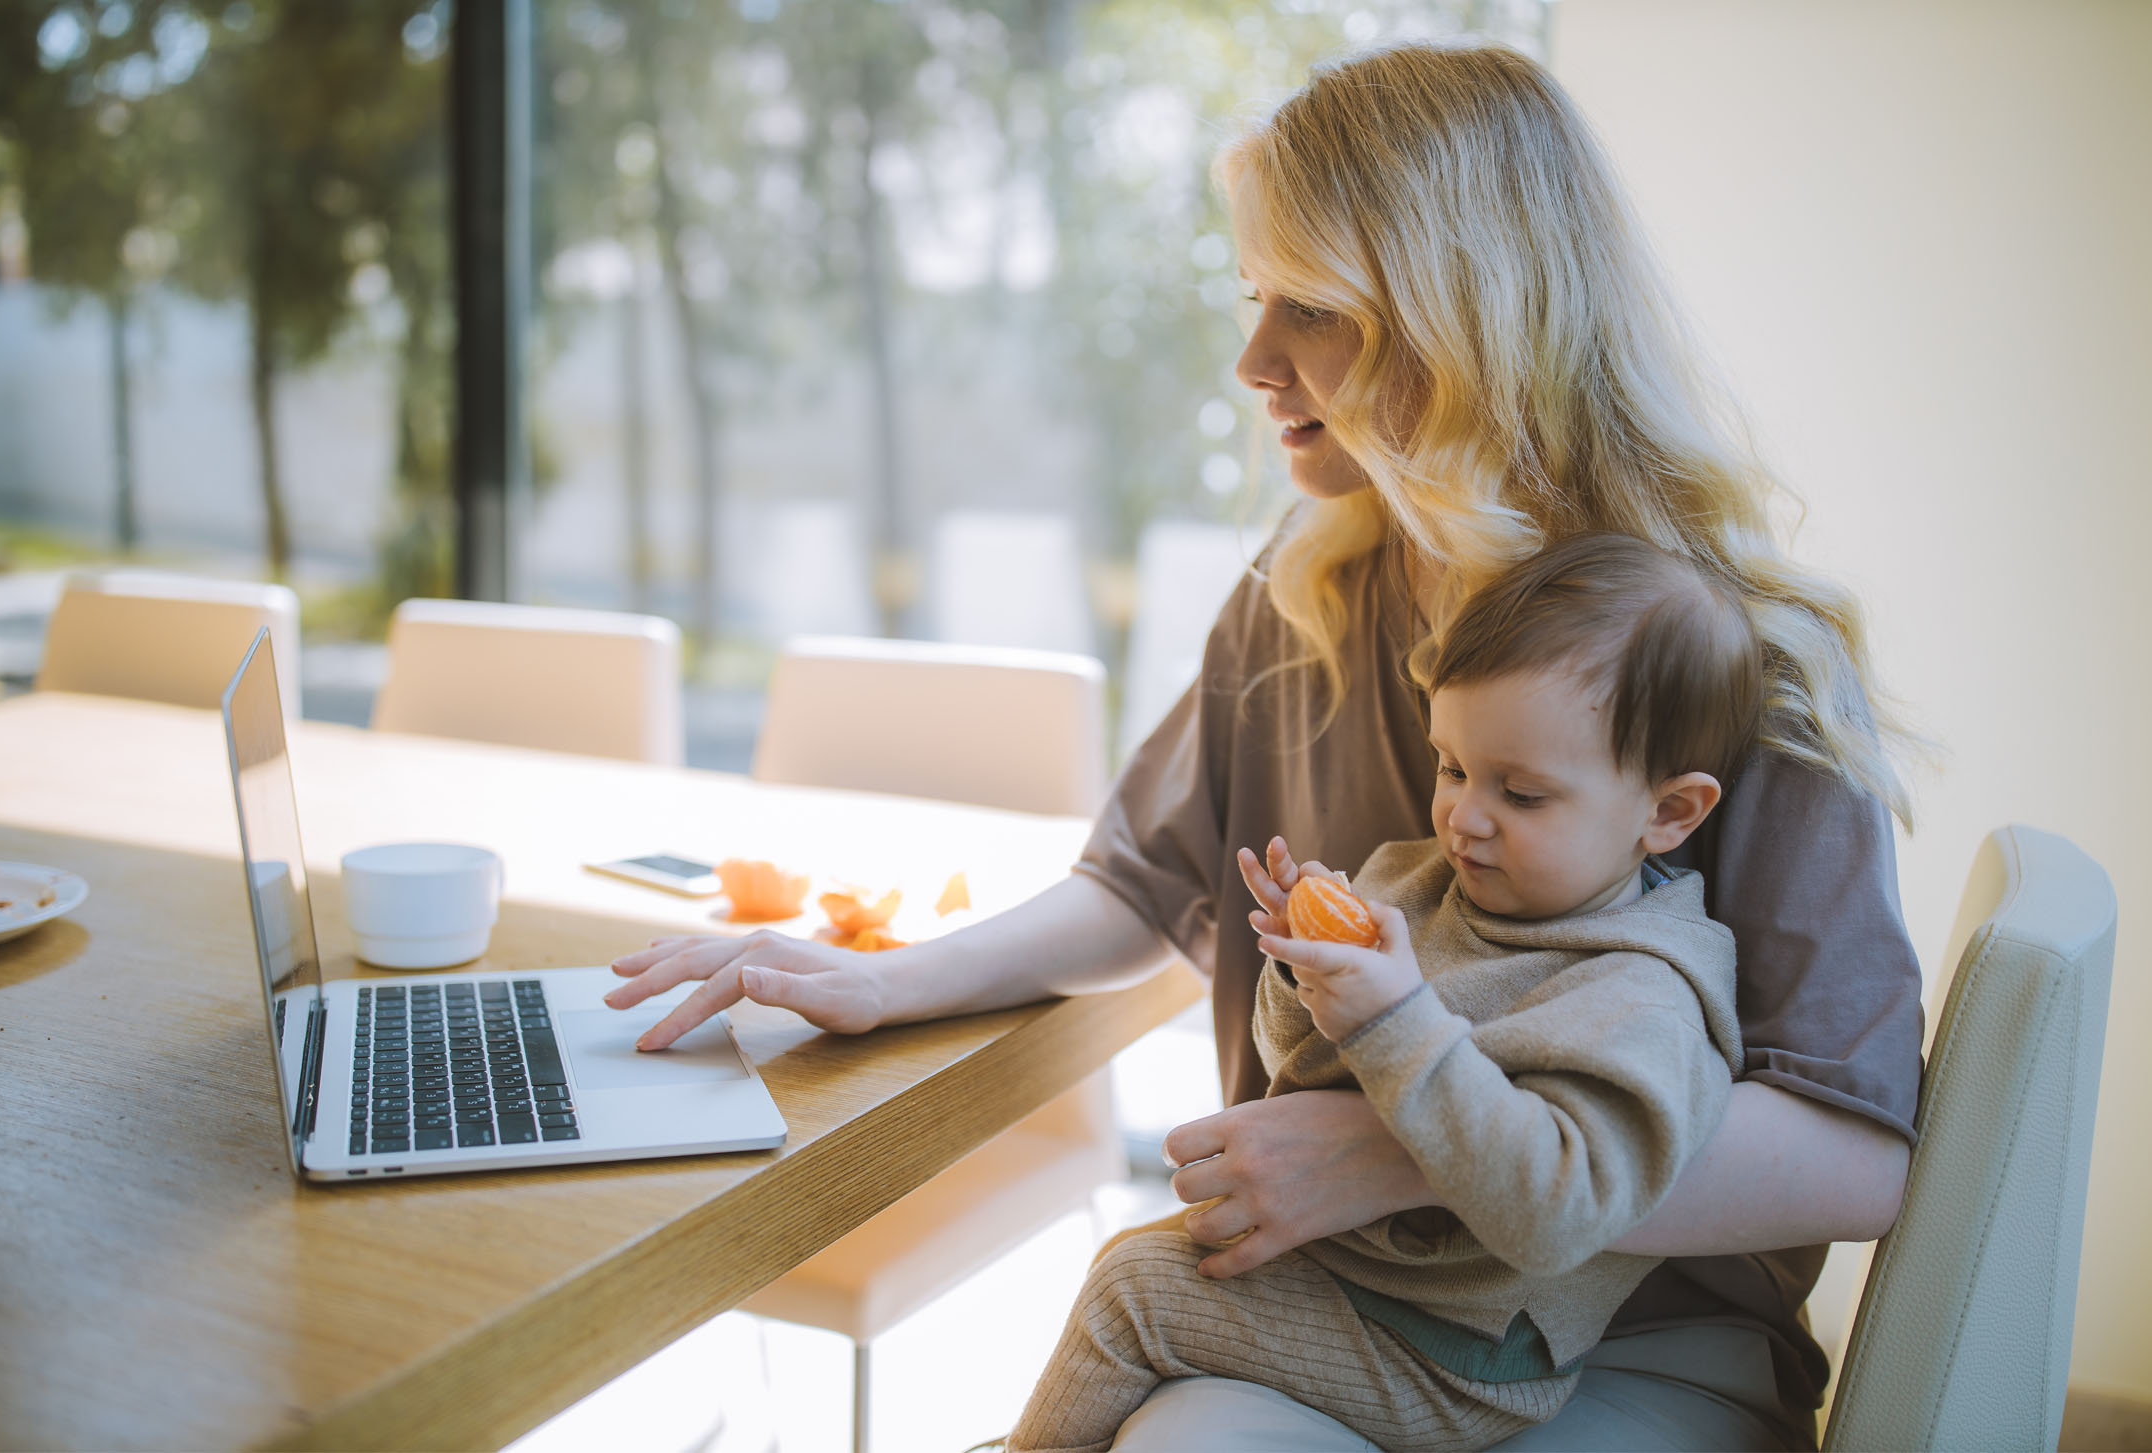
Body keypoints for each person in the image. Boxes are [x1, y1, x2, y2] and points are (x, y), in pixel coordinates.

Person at [607, 40, 1923, 1450]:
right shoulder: (1310, 586)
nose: (1252, 361)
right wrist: (891, 979)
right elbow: (1143, 883)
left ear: (1463, 317)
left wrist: (1401, 1151)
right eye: (1254, 299)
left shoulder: (1739, 662)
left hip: (1632, 1342)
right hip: (1346, 1293)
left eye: (1313, 309)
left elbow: (1852, 1156)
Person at [1007, 532, 1761, 1452]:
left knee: (1134, 1295)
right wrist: (1306, 971)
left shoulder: (1644, 990)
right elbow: (1306, 1069)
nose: (1463, 817)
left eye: (1521, 794)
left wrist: (1398, 1020)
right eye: (1452, 767)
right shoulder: (1422, 882)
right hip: (1357, 1279)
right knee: (1141, 1265)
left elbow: (1560, 1211)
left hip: (1457, 1354)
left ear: (1670, 811)